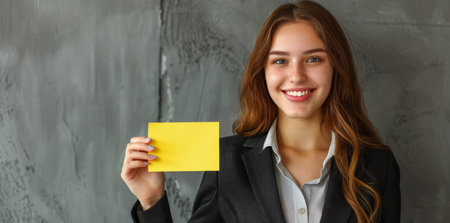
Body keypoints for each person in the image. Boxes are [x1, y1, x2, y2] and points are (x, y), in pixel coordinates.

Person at [120, 1, 401, 222]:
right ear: (262, 72)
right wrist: (152, 199)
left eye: (313, 59)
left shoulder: (378, 167)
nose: (296, 75)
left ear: (336, 68)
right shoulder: (226, 163)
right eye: (280, 61)